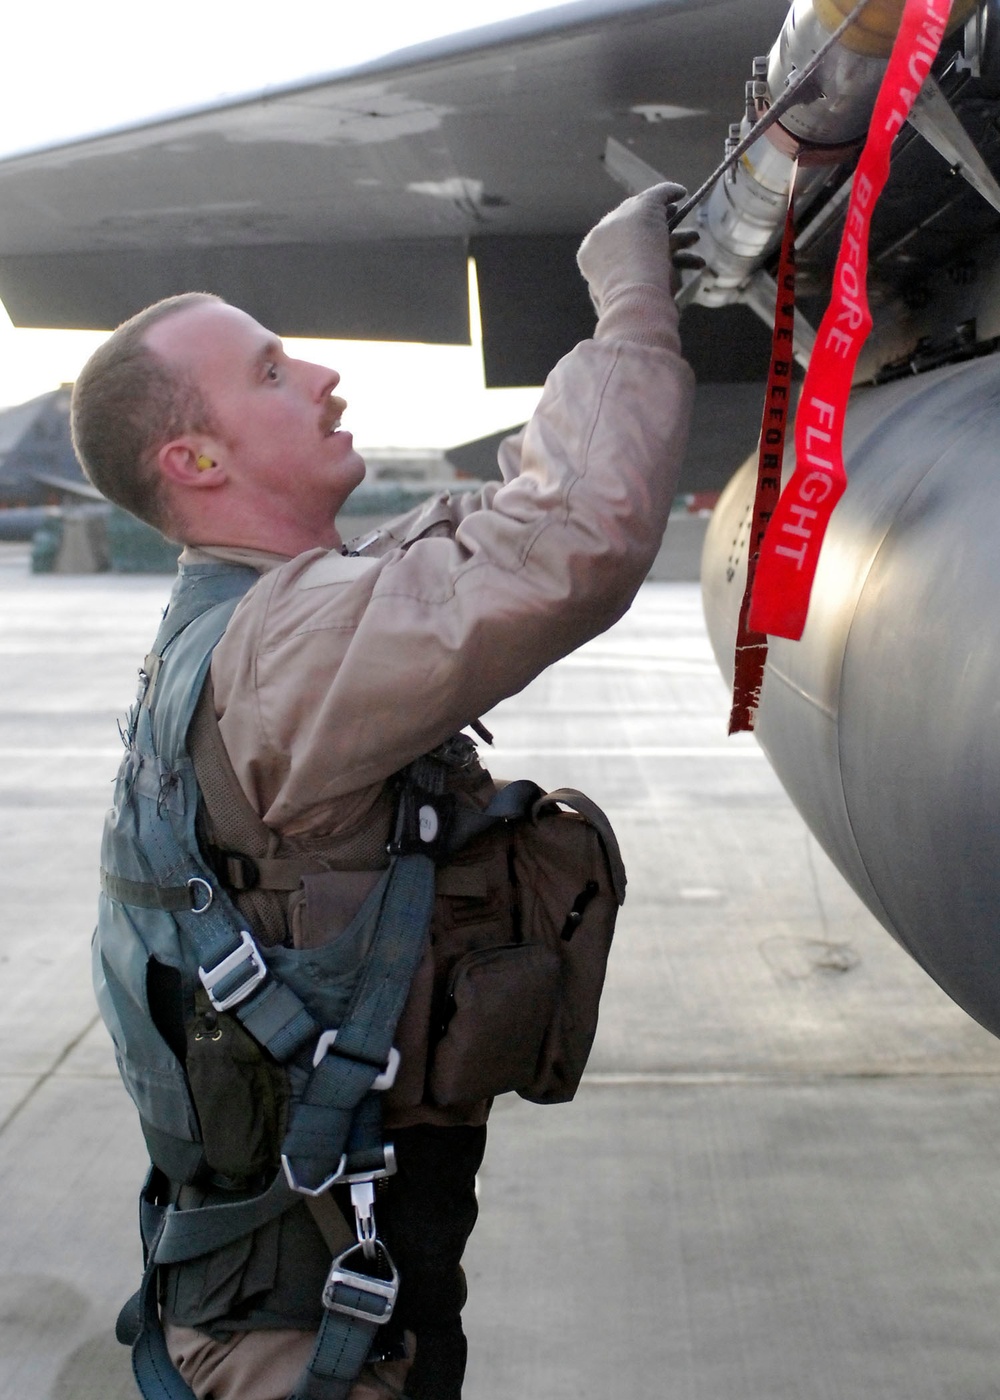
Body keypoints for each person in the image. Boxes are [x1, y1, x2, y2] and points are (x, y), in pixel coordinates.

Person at [71, 182, 699, 1400]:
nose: (319, 376)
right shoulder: (285, 648)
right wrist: (630, 302)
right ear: (192, 460)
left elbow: (490, 522)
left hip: (308, 1293)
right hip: (316, 1344)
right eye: (266, 374)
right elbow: (576, 537)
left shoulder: (266, 614)